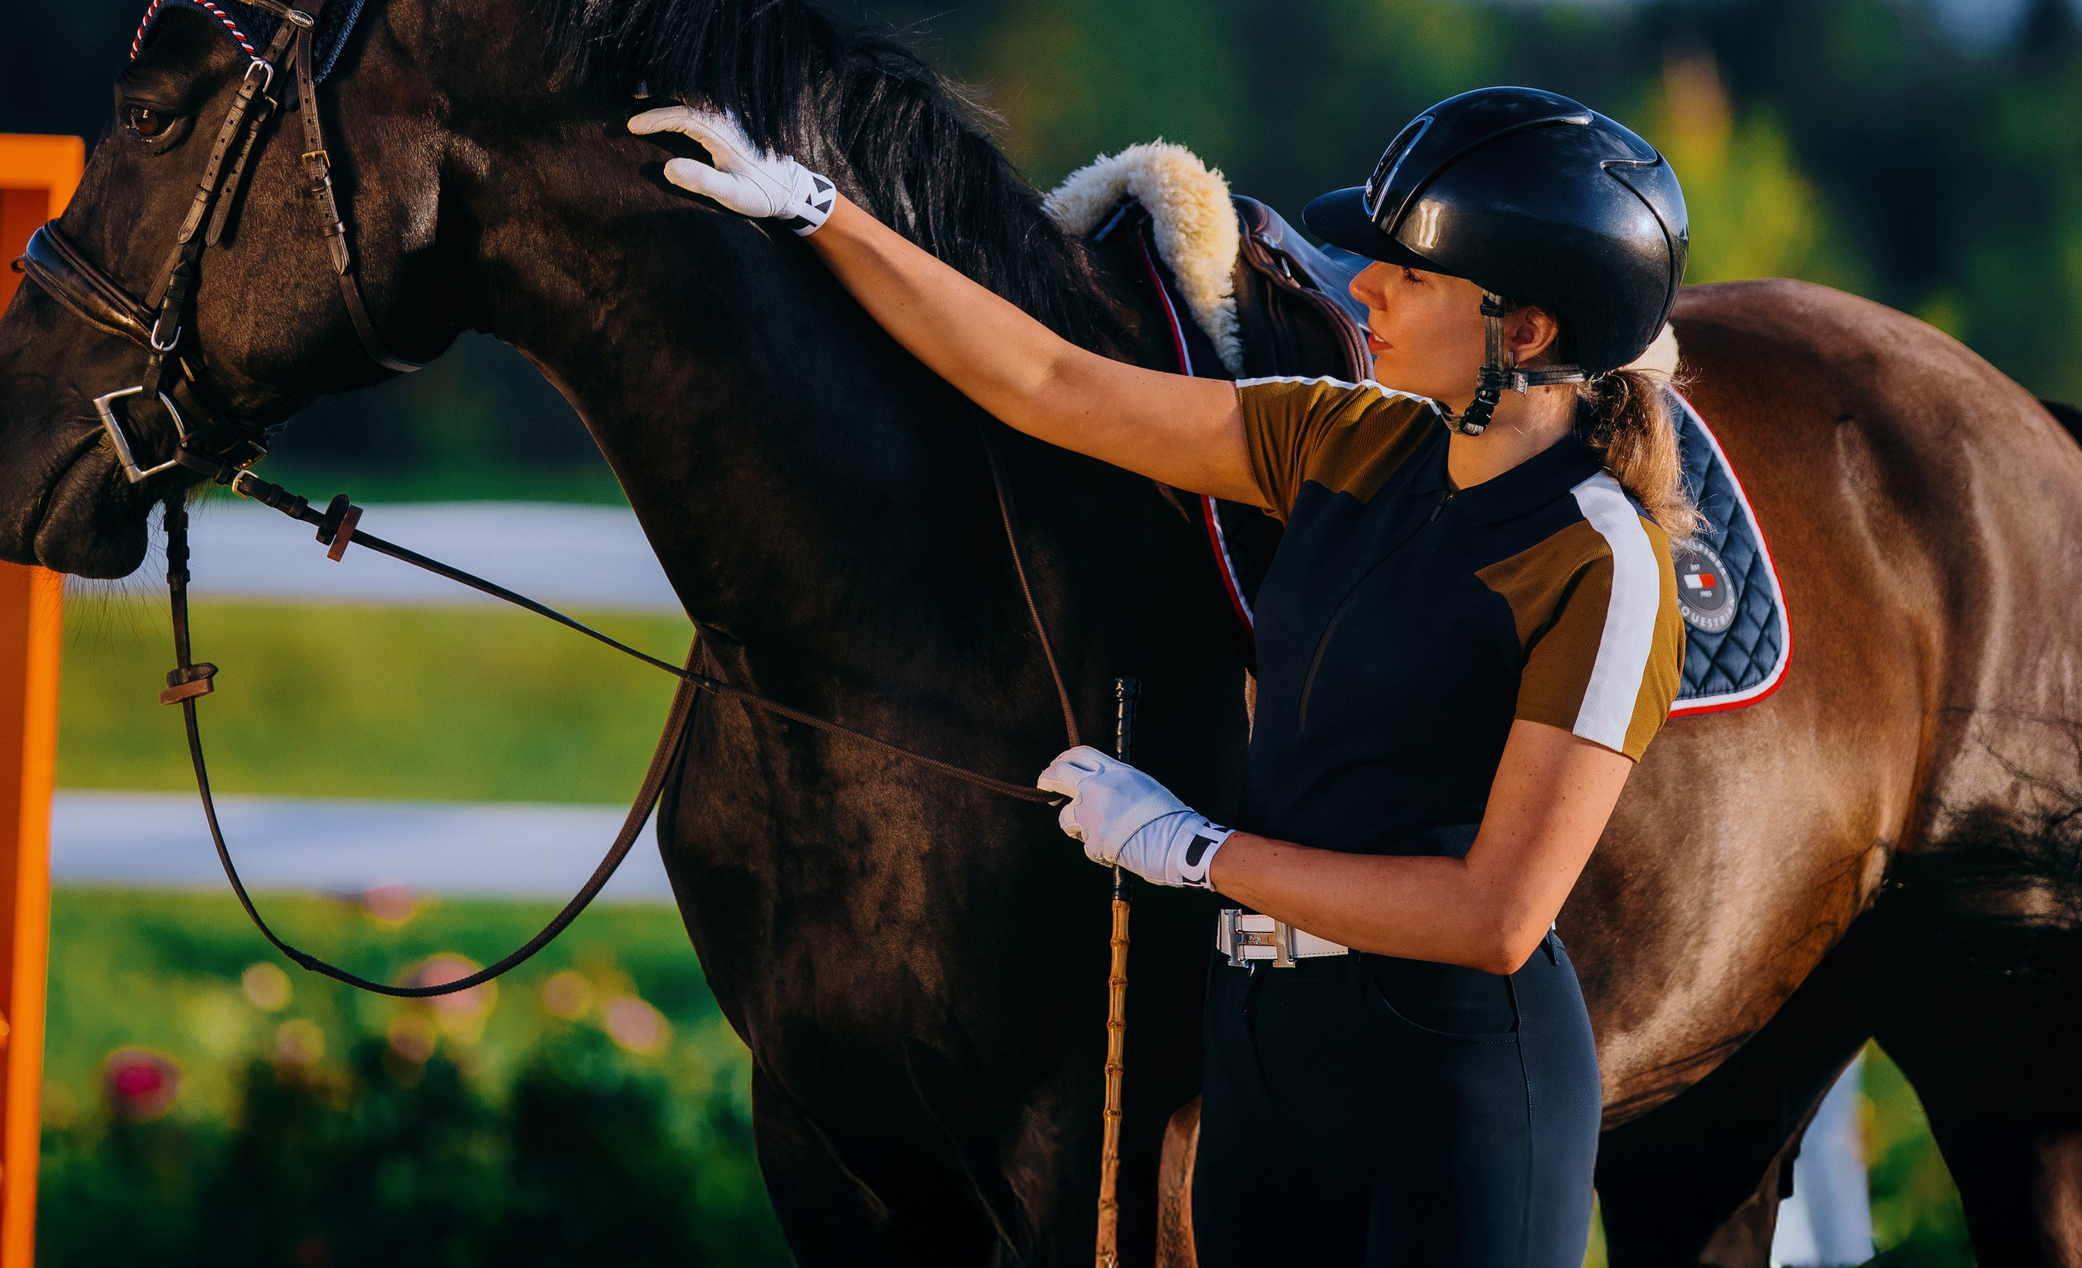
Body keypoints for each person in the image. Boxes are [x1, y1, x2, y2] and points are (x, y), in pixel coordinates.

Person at [630, 85, 1692, 1267]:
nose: (1366, 288)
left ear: (1527, 332)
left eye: (1412, 276)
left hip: (1446, 1080)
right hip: (1263, 1051)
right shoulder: (1339, 438)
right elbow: (1043, 383)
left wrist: (1193, 852)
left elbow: (1496, 919)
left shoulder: (1601, 560)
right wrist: (820, 211)